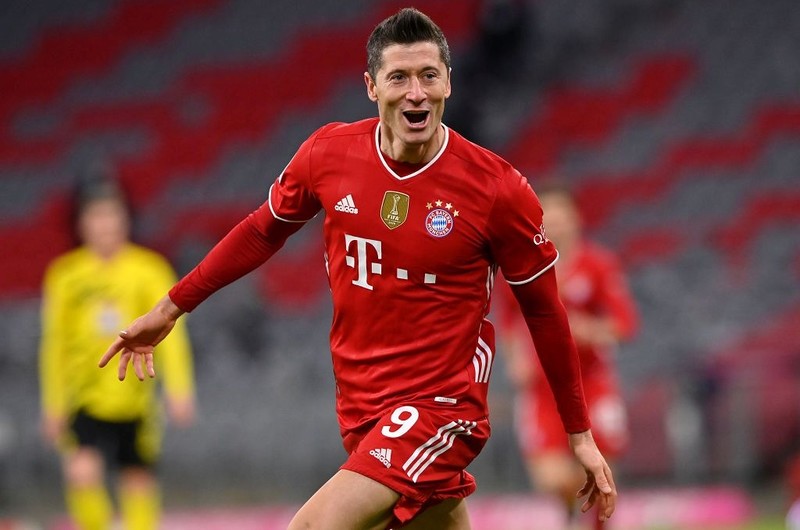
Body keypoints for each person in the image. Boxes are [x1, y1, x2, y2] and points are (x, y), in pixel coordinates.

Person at [99, 8, 616, 530]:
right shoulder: (329, 155)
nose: (416, 93)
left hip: (441, 407)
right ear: (372, 86)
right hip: (362, 403)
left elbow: (545, 313)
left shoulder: (497, 190)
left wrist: (579, 435)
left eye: (428, 76)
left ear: (448, 83)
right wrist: (171, 308)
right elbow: (260, 231)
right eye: (399, 77)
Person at [40, 175, 196, 530]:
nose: (105, 224)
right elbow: (54, 344)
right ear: (82, 224)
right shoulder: (65, 276)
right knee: (81, 472)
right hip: (84, 395)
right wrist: (53, 403)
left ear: (126, 219)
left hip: (136, 395)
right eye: (96, 216)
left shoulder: (149, 269)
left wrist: (179, 389)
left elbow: (172, 333)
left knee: (137, 478)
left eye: (112, 214)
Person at [498, 182, 638, 530]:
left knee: (603, 473)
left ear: (576, 218)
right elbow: (509, 318)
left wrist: (587, 330)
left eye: (561, 216)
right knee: (550, 477)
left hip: (592, 383)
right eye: (548, 217)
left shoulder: (598, 265)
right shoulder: (522, 266)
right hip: (543, 387)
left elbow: (624, 323)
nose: (556, 224)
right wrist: (515, 358)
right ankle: (573, 514)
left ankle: (588, 522)